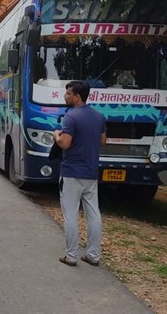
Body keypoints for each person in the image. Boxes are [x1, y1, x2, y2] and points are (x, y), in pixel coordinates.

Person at [53, 80, 107, 267]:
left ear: (77, 96)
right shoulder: (98, 116)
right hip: (91, 172)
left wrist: (56, 136)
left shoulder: (71, 117)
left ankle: (71, 256)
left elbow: (65, 144)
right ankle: (93, 255)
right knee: (93, 214)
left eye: (68, 93)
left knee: (70, 215)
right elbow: (103, 141)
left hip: (71, 173)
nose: (65, 96)